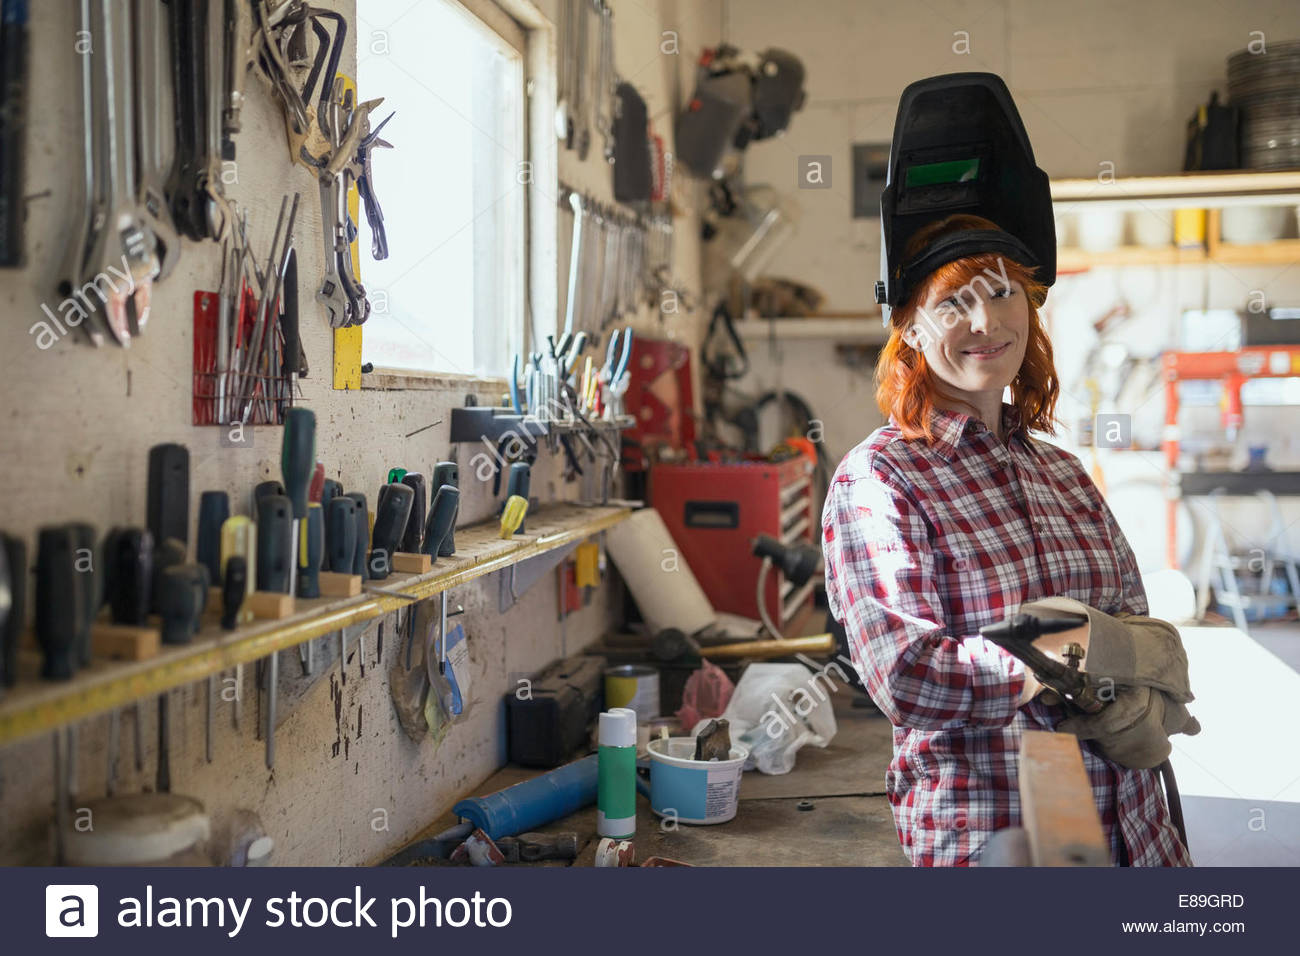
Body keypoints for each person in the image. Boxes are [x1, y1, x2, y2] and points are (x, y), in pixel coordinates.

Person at [820, 212, 1193, 867]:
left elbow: (1133, 625)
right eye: (953, 303)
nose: (986, 323)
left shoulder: (1063, 472)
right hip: (997, 844)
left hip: (1138, 835)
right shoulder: (880, 478)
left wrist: (1123, 683)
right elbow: (908, 676)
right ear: (910, 328)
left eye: (1002, 293)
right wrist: (1057, 649)